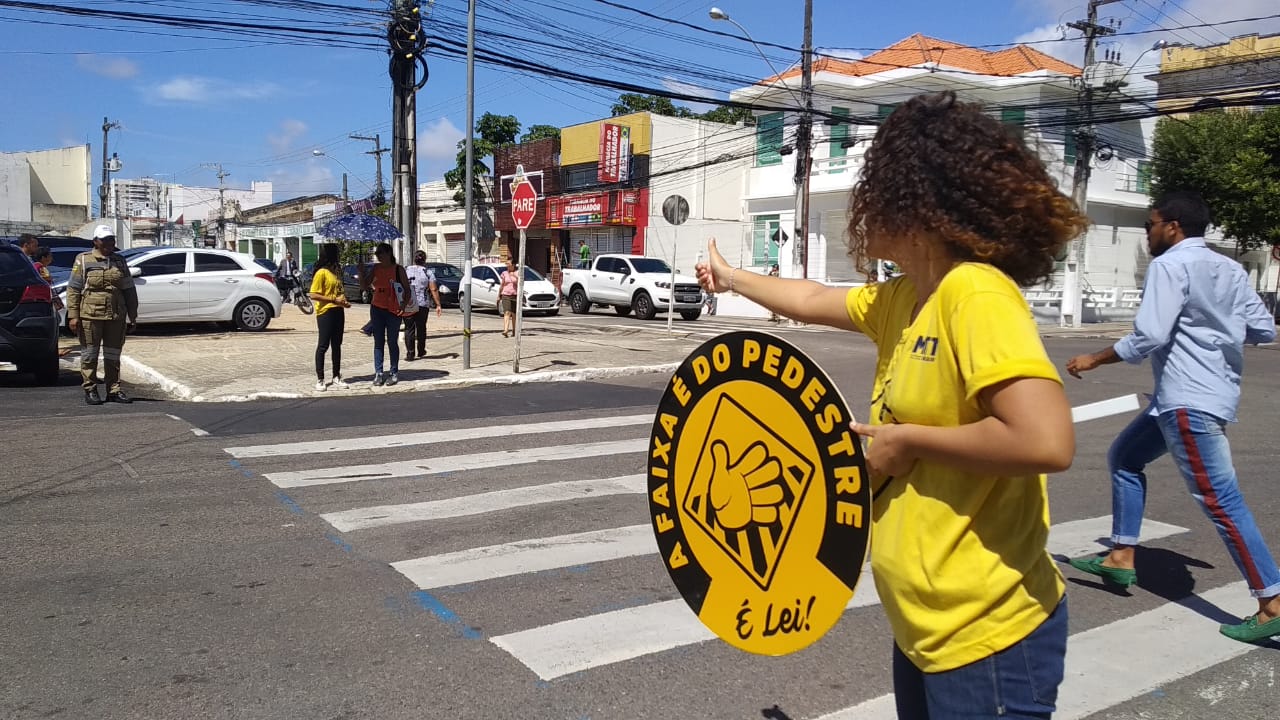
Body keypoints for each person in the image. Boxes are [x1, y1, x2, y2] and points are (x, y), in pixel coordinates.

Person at [696, 91, 1084, 719]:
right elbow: (811, 298)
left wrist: (909, 442)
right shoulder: (904, 298)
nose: (863, 205)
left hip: (989, 637)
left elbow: (1045, 440)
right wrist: (731, 277)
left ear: (917, 203)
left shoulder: (974, 294)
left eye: (875, 188)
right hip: (924, 629)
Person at [1065, 191, 1280, 644]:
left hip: (1188, 401)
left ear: (1173, 227)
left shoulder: (1169, 265)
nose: (1147, 234)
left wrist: (1093, 359)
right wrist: (1217, 330)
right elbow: (1262, 329)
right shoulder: (1230, 269)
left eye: (1150, 225)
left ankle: (1272, 601)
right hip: (1189, 398)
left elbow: (1149, 335)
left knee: (1222, 501)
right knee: (1125, 458)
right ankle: (1121, 556)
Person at [66, 225, 139, 406]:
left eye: (111, 239)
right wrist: (73, 316)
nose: (109, 243)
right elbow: (73, 289)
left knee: (113, 354)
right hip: (91, 316)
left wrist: (133, 314)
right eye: (104, 239)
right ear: (95, 241)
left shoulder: (119, 261)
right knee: (89, 354)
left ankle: (113, 390)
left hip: (116, 315)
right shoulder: (83, 260)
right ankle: (90, 389)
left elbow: (129, 289)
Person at [357, 242, 410, 386]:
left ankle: (393, 372)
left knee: (392, 341)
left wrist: (403, 306)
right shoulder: (376, 268)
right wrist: (361, 272)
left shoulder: (398, 269)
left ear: (388, 253)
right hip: (377, 308)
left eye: (380, 253)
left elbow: (407, 289)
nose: (378, 256)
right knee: (378, 342)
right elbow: (364, 286)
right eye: (377, 253)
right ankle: (379, 373)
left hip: (393, 310)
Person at [308, 244, 350, 391]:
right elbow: (313, 294)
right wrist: (333, 299)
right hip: (325, 312)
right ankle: (320, 378)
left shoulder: (336, 271)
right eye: (337, 253)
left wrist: (343, 301)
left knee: (337, 344)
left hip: (339, 310)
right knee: (323, 345)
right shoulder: (321, 272)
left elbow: (339, 291)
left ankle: (336, 375)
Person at [403, 250, 443, 361]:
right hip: (423, 303)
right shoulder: (428, 272)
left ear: (414, 259)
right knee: (421, 327)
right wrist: (438, 304)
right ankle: (421, 350)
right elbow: (433, 289)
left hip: (408, 303)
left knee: (409, 328)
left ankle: (410, 353)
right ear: (424, 260)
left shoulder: (406, 270)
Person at [498, 258, 519, 338]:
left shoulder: (518, 273)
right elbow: (502, 285)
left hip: (515, 295)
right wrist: (499, 295)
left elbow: (521, 283)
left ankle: (514, 330)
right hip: (505, 295)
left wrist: (515, 276)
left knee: (514, 314)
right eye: (506, 264)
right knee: (507, 312)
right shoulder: (504, 273)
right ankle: (506, 330)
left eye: (508, 264)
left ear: (513, 265)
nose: (507, 266)